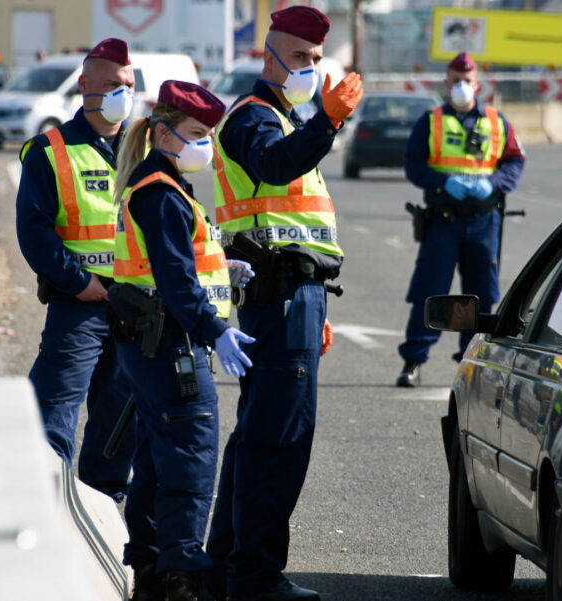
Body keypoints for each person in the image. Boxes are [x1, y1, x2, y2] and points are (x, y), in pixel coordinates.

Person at [205, 6, 363, 601]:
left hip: (297, 296)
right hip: (279, 295)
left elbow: (303, 230)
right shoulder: (254, 119)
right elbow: (275, 165)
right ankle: (254, 577)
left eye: (317, 61)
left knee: (257, 438)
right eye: (299, 58)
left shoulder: (287, 121)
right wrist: (326, 121)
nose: (310, 69)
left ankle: (224, 572)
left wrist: (315, 304)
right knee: (279, 442)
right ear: (267, 57)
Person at [110, 80, 254, 601]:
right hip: (172, 346)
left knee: (156, 459)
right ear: (164, 133)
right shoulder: (161, 193)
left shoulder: (160, 185)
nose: (207, 145)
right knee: (191, 458)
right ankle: (182, 577)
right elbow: (174, 281)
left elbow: (173, 265)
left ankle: (151, 568)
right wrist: (217, 329)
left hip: (152, 344)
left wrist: (223, 268)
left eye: (209, 134)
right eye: (197, 133)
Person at [15, 38, 137, 501]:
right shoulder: (49, 150)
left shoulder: (144, 151)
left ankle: (103, 503)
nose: (121, 94)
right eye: (110, 85)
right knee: (54, 406)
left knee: (120, 412)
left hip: (132, 303)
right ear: (84, 85)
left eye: (127, 85)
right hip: (80, 302)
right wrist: (79, 281)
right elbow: (35, 232)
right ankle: (47, 502)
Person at [395, 51, 525, 387]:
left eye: (467, 81)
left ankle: (472, 364)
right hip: (443, 221)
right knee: (430, 290)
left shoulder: (498, 122)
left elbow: (514, 162)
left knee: (481, 296)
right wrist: (442, 181)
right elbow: (414, 165)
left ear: (477, 83)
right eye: (456, 80)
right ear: (446, 82)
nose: (462, 86)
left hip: (484, 221)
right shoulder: (431, 121)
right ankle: (413, 361)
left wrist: (492, 184)